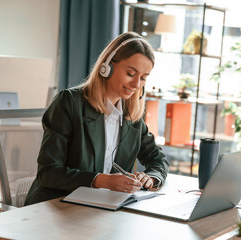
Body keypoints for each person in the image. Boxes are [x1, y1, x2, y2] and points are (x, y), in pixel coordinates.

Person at [24, 32, 169, 205]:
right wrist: (101, 180)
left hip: (100, 209)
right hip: (55, 207)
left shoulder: (131, 116)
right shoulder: (69, 103)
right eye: (131, 73)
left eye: (143, 78)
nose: (137, 84)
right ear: (107, 67)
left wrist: (151, 178)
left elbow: (157, 159)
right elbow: (48, 172)